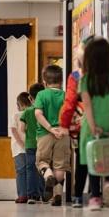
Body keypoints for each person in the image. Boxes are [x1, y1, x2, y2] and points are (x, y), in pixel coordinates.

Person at [78, 38, 109, 211]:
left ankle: (95, 196)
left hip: (92, 125)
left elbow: (87, 105)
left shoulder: (86, 80)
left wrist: (92, 125)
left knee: (93, 158)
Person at [58, 38, 89, 208]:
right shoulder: (102, 75)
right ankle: (96, 196)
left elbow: (69, 103)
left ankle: (78, 196)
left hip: (80, 124)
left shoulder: (76, 76)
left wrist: (64, 124)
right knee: (98, 157)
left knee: (81, 159)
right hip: (99, 122)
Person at [34, 65, 69, 207]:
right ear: (61, 81)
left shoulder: (41, 95)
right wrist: (62, 129)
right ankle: (58, 195)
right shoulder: (66, 95)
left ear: (44, 81)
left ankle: (48, 176)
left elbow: (38, 113)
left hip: (45, 134)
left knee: (42, 161)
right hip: (63, 134)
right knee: (60, 165)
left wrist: (49, 128)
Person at [19, 83, 45, 204]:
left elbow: (21, 129)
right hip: (44, 144)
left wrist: (27, 138)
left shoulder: (27, 111)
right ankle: (44, 194)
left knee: (30, 169)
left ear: (30, 98)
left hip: (30, 145)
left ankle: (32, 196)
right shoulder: (45, 111)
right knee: (44, 168)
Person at [11, 92, 29, 204]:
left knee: (22, 171)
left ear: (19, 104)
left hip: (20, 148)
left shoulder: (16, 115)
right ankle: (29, 194)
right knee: (29, 171)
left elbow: (13, 130)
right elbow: (14, 130)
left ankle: (23, 195)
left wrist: (21, 143)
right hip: (25, 147)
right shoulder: (32, 113)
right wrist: (22, 143)